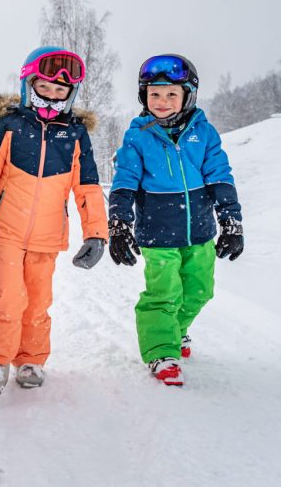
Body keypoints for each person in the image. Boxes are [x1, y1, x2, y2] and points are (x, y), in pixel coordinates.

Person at [0, 46, 109, 395]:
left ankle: (30, 359)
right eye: (44, 86)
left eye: (59, 89)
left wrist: (96, 233)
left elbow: (87, 186)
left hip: (47, 236)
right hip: (6, 230)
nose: (51, 94)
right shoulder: (9, 125)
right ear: (28, 85)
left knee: (37, 301)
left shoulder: (75, 133)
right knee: (6, 296)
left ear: (70, 92)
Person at [108, 53, 243, 386]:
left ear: (188, 96)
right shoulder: (137, 136)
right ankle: (161, 351)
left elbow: (220, 175)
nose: (162, 101)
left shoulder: (204, 133)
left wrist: (231, 220)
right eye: (154, 93)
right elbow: (125, 181)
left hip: (200, 231)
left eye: (171, 94)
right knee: (164, 293)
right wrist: (119, 223)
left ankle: (175, 329)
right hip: (157, 234)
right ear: (144, 96)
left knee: (199, 291)